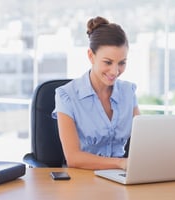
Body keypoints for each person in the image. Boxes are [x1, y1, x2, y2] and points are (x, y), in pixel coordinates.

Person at [52, 16, 140, 170]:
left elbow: (144, 141)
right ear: (91, 56)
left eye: (122, 63)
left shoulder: (128, 92)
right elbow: (73, 158)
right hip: (82, 181)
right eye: (108, 62)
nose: (115, 71)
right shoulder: (66, 96)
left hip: (120, 178)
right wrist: (120, 163)